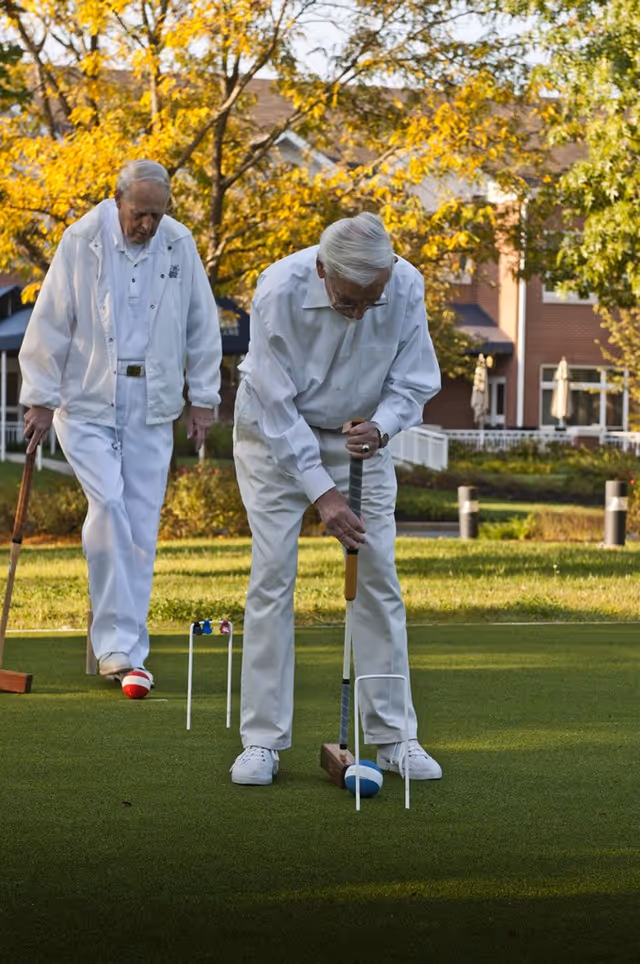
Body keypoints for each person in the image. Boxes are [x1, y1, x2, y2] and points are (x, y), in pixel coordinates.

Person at [231, 211, 442, 786]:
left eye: (369, 302)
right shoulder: (278, 288)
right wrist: (323, 495)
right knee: (273, 573)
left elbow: (416, 380)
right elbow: (275, 406)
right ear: (322, 270)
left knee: (377, 576)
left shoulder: (404, 284)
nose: (357, 315)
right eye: (348, 302)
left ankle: (396, 737)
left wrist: (384, 426)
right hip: (275, 438)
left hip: (361, 439)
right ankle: (262, 741)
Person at [19, 159, 222, 682]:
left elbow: (201, 323)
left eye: (158, 214)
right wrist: (39, 396)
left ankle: (127, 651)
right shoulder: (81, 239)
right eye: (141, 213)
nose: (149, 225)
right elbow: (51, 319)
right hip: (85, 400)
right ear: (117, 201)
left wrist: (202, 397)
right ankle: (114, 643)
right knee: (108, 505)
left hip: (152, 402)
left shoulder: (179, 243)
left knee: (140, 527)